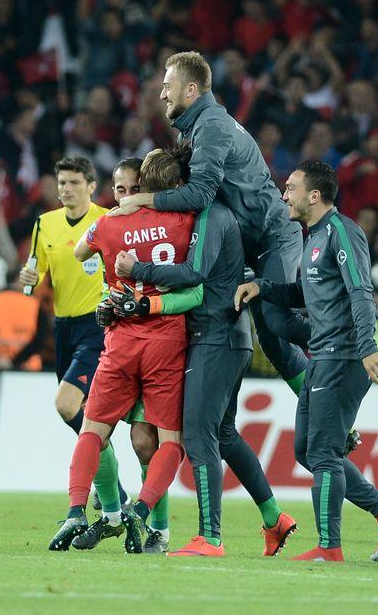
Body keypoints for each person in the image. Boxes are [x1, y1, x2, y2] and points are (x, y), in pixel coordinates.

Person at [114, 160, 297, 557]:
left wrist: (137, 268)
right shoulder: (211, 216)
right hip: (226, 337)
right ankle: (274, 518)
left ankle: (210, 537)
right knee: (224, 435)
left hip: (215, 338)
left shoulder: (212, 217)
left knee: (198, 437)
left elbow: (193, 274)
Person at [235, 161, 378, 562]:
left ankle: (330, 547)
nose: (284, 195)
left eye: (291, 188)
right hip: (322, 356)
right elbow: (305, 292)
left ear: (314, 195)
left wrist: (367, 348)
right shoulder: (313, 237)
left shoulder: (342, 231)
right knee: (305, 450)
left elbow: (361, 290)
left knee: (324, 453)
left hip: (345, 356)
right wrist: (262, 287)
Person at [113, 51, 310, 396]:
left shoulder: (212, 126)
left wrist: (142, 200)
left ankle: (355, 341)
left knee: (277, 323)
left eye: (168, 86)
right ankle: (323, 411)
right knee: (272, 341)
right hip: (249, 243)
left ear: (191, 89)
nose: (162, 94)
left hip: (273, 236)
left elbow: (200, 194)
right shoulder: (193, 131)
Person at [49, 147, 195, 554]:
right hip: (166, 341)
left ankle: (87, 510)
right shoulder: (186, 220)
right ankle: (133, 516)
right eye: (119, 189)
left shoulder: (109, 224)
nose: (126, 195)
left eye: (133, 188)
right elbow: (197, 284)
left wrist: (114, 221)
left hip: (121, 340)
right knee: (166, 441)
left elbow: (80, 252)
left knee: (106, 433)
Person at [18, 158, 129, 528]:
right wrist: (29, 279)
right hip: (63, 328)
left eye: (74, 183)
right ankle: (114, 491)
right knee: (83, 416)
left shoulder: (107, 220)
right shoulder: (44, 223)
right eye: (62, 182)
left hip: (97, 325)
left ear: (91, 186)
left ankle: (106, 488)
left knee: (66, 404)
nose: (65, 189)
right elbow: (34, 275)